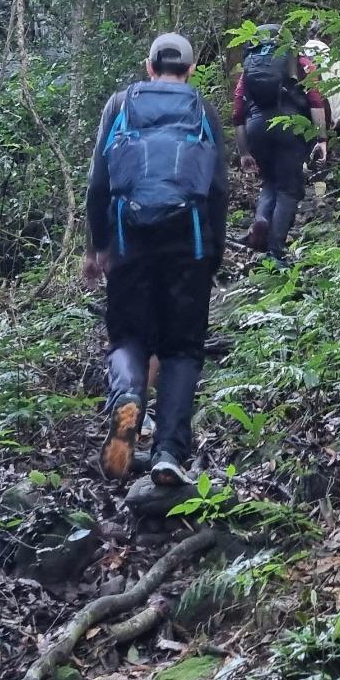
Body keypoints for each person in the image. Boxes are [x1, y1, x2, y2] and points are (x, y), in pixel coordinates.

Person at [83, 32, 228, 486]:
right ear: (189, 69)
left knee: (128, 337)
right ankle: (168, 452)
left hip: (131, 241)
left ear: (149, 67)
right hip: (190, 242)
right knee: (182, 349)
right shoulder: (202, 109)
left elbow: (98, 184)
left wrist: (98, 246)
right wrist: (214, 253)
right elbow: (219, 190)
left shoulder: (120, 104)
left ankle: (128, 396)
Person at [233, 25, 328, 261]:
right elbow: (315, 100)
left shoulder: (250, 67)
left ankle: (261, 221)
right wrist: (321, 139)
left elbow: (237, 111)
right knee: (289, 189)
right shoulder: (300, 61)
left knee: (270, 183)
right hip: (289, 126)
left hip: (255, 127)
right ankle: (276, 251)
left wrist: (244, 151)